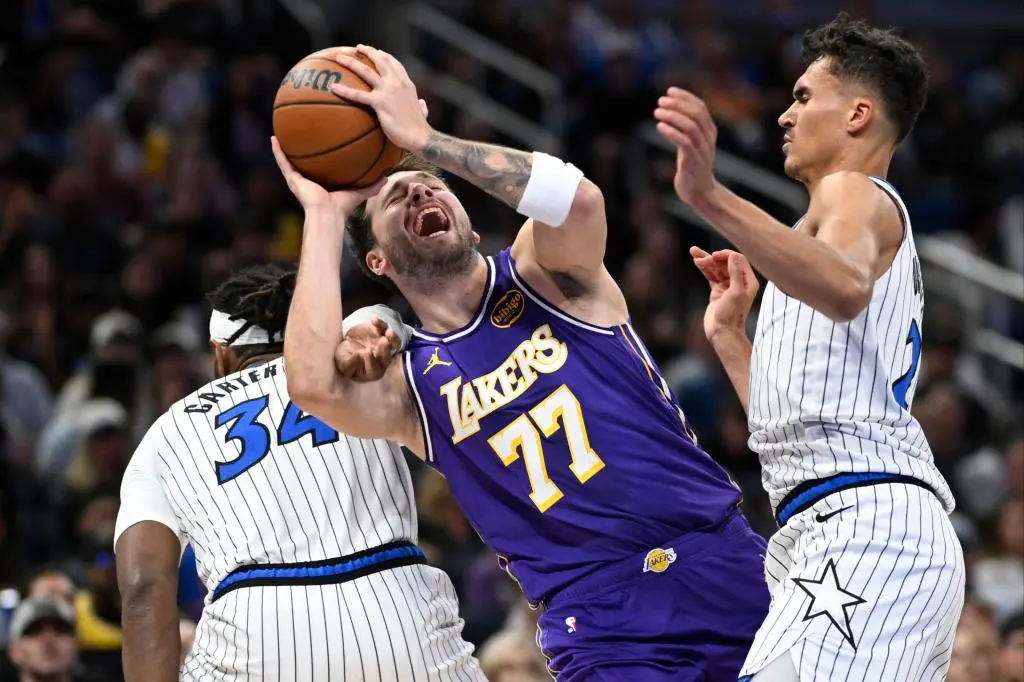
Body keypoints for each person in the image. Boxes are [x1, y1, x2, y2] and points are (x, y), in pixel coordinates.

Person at [277, 45, 770, 681]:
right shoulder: (408, 384)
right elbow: (311, 385)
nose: (420, 189)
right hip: (600, 622)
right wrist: (323, 214)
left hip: (717, 557)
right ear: (378, 260)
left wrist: (425, 142)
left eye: (432, 185)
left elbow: (578, 199)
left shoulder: (541, 272)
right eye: (394, 197)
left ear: (466, 217)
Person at [657, 13, 965, 681]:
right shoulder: (816, 241)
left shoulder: (855, 194)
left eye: (803, 97)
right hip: (841, 530)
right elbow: (789, 428)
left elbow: (847, 286)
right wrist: (731, 338)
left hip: (869, 529)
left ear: (857, 114)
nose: (784, 115)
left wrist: (708, 194)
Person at [113, 264, 484, 682]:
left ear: (220, 353)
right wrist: (381, 321)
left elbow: (145, 587)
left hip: (256, 626)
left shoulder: (169, 430)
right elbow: (403, 327)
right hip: (395, 601)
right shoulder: (356, 365)